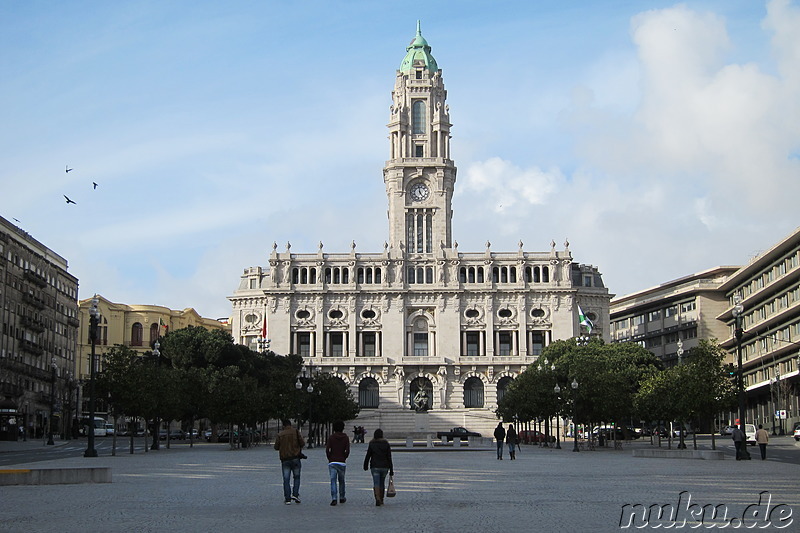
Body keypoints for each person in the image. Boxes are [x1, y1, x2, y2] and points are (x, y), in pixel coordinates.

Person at [274, 419, 305, 504]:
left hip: (285, 459)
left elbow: (276, 447)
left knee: (286, 479)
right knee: (297, 477)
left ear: (283, 425)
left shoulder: (280, 434)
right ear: (290, 424)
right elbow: (302, 443)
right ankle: (295, 494)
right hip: (295, 458)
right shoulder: (295, 432)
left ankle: (287, 498)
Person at [363, 428, 394, 506]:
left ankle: (377, 498)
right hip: (384, 466)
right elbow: (389, 457)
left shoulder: (372, 443)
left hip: (375, 466)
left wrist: (365, 465)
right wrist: (391, 469)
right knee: (382, 482)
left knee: (376, 482)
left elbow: (368, 455)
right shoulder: (386, 444)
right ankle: (382, 499)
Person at [326, 420, 350, 506]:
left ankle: (334, 498)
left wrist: (330, 457)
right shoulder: (346, 437)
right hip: (341, 462)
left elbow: (328, 449)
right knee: (341, 480)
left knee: (333, 480)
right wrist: (344, 457)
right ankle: (342, 496)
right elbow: (347, 450)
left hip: (332, 461)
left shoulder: (331, 437)